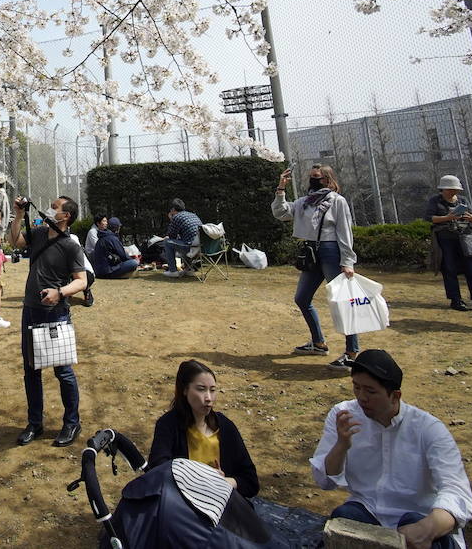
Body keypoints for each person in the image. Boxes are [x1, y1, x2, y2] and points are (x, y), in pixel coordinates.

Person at [310, 349, 472, 549]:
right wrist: (341, 445)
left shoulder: (428, 429)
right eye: (356, 387)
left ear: (394, 396)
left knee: (415, 524)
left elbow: (458, 491)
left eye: (371, 391)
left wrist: (427, 527)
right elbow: (325, 481)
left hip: (417, 518)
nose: (362, 397)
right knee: (344, 517)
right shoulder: (343, 415)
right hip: (368, 511)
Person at [7, 193, 88, 448]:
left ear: (66, 216)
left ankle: (71, 422)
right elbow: (14, 241)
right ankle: (35, 423)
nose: (49, 210)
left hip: (55, 312)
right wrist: (19, 215)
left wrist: (60, 292)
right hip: (30, 309)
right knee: (31, 369)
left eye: (54, 208)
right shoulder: (40, 234)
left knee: (62, 370)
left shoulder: (71, 246)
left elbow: (82, 281)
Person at [273, 164, 362, 369]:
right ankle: (319, 342)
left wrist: (348, 261)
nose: (313, 180)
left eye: (318, 177)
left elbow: (345, 231)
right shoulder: (304, 202)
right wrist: (281, 189)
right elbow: (280, 212)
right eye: (311, 177)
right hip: (311, 251)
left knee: (342, 301)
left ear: (328, 179)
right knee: (302, 298)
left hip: (331, 251)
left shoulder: (337, 201)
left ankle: (351, 352)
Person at [147, 359, 259, 498]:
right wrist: (202, 479)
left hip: (221, 508)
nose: (208, 398)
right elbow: (158, 471)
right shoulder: (168, 425)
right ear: (184, 390)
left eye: (212, 390)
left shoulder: (225, 426)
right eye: (201, 389)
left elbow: (251, 482)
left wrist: (227, 482)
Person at [423, 176, 472, 313]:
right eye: (450, 189)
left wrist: (470, 217)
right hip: (445, 239)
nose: (453, 192)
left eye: (455, 190)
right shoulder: (435, 201)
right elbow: (429, 218)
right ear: (443, 189)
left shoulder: (462, 201)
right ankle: (455, 299)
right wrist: (448, 218)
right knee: (449, 269)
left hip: (465, 238)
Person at [161, 198, 202, 277]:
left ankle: (173, 271)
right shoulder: (193, 215)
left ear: (173, 209)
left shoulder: (176, 217)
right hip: (200, 247)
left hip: (191, 247)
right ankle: (188, 269)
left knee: (167, 242)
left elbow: (172, 236)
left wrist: (171, 219)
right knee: (186, 241)